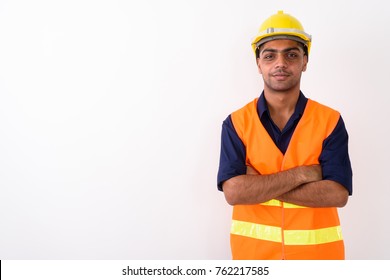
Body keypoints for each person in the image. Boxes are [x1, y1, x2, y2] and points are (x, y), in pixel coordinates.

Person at [217, 10, 353, 260]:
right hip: (255, 261)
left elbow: (337, 194)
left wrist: (257, 184)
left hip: (319, 261)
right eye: (270, 55)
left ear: (305, 62)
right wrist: (303, 174)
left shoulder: (330, 121)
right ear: (259, 64)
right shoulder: (236, 123)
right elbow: (234, 193)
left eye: (291, 54)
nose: (280, 63)